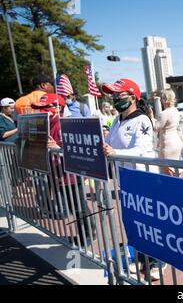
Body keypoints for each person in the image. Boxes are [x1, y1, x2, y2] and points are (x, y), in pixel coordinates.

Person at [101, 78, 166, 281]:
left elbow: (143, 150)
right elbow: (110, 144)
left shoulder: (142, 120)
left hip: (143, 179)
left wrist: (115, 152)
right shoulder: (117, 120)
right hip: (126, 180)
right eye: (112, 95)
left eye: (118, 95)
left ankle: (157, 262)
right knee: (133, 222)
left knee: (149, 222)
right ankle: (139, 257)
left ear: (132, 97)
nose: (114, 98)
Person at [31, 93, 97, 246]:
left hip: (71, 174)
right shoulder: (48, 124)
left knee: (79, 206)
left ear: (57, 107)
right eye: (40, 108)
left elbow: (77, 150)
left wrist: (57, 148)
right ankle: (83, 234)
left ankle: (87, 235)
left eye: (45, 107)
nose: (42, 111)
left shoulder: (63, 124)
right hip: (59, 173)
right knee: (75, 207)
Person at [150, 89, 183, 176]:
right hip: (177, 142)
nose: (161, 100)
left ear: (165, 99)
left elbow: (155, 128)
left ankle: (174, 186)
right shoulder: (175, 110)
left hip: (167, 144)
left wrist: (151, 117)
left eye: (162, 98)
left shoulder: (164, 113)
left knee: (166, 169)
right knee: (176, 167)